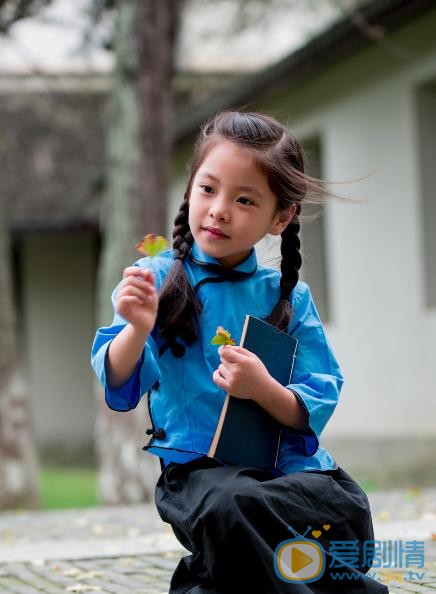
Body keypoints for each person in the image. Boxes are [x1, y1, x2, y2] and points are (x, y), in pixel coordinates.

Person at [91, 111, 388, 594]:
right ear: (190, 190)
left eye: (244, 199)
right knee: (235, 510)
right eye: (208, 189)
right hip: (203, 475)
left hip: (288, 469)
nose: (219, 209)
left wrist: (264, 389)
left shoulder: (290, 296)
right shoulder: (156, 278)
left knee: (342, 511)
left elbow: (316, 399)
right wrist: (136, 328)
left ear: (281, 217)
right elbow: (119, 381)